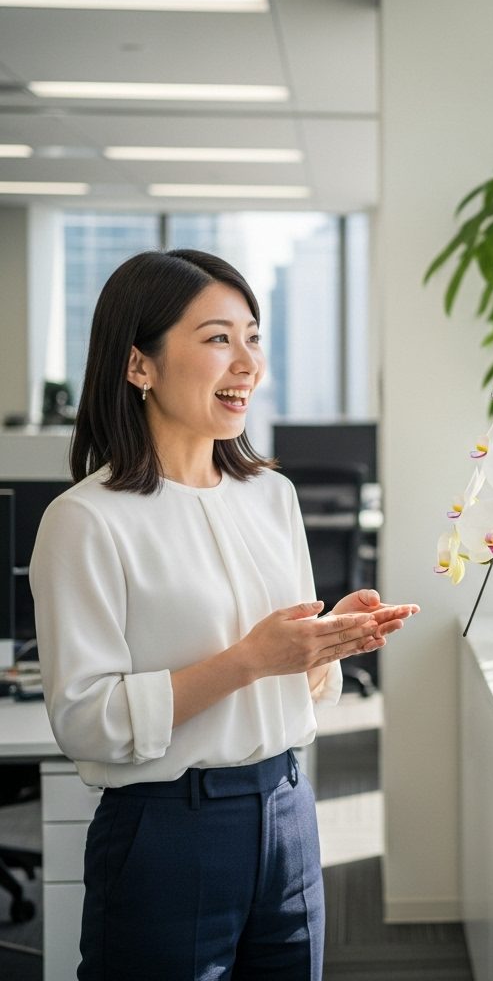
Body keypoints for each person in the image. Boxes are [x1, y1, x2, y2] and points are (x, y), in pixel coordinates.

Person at [29, 249, 418, 980]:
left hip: (290, 812)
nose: (247, 363)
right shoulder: (86, 520)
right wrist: (250, 660)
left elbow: (289, 679)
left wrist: (322, 644)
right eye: (217, 339)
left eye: (253, 337)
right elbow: (84, 719)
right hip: (168, 830)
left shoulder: (272, 495)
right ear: (139, 364)